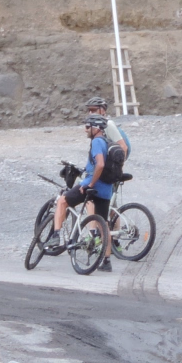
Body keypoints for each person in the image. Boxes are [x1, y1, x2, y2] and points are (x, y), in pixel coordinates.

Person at [48, 115, 115, 271]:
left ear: (96, 128)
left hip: (92, 187)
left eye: (87, 126)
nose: (85, 129)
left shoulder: (97, 142)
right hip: (106, 189)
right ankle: (106, 261)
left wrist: (90, 183)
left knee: (63, 200)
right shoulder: (106, 142)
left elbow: (100, 164)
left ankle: (55, 236)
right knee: (103, 223)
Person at [84, 96, 131, 178]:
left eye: (94, 110)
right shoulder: (97, 125)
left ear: (102, 110)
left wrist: (117, 170)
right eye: (89, 110)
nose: (90, 113)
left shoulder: (108, 124)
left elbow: (123, 147)